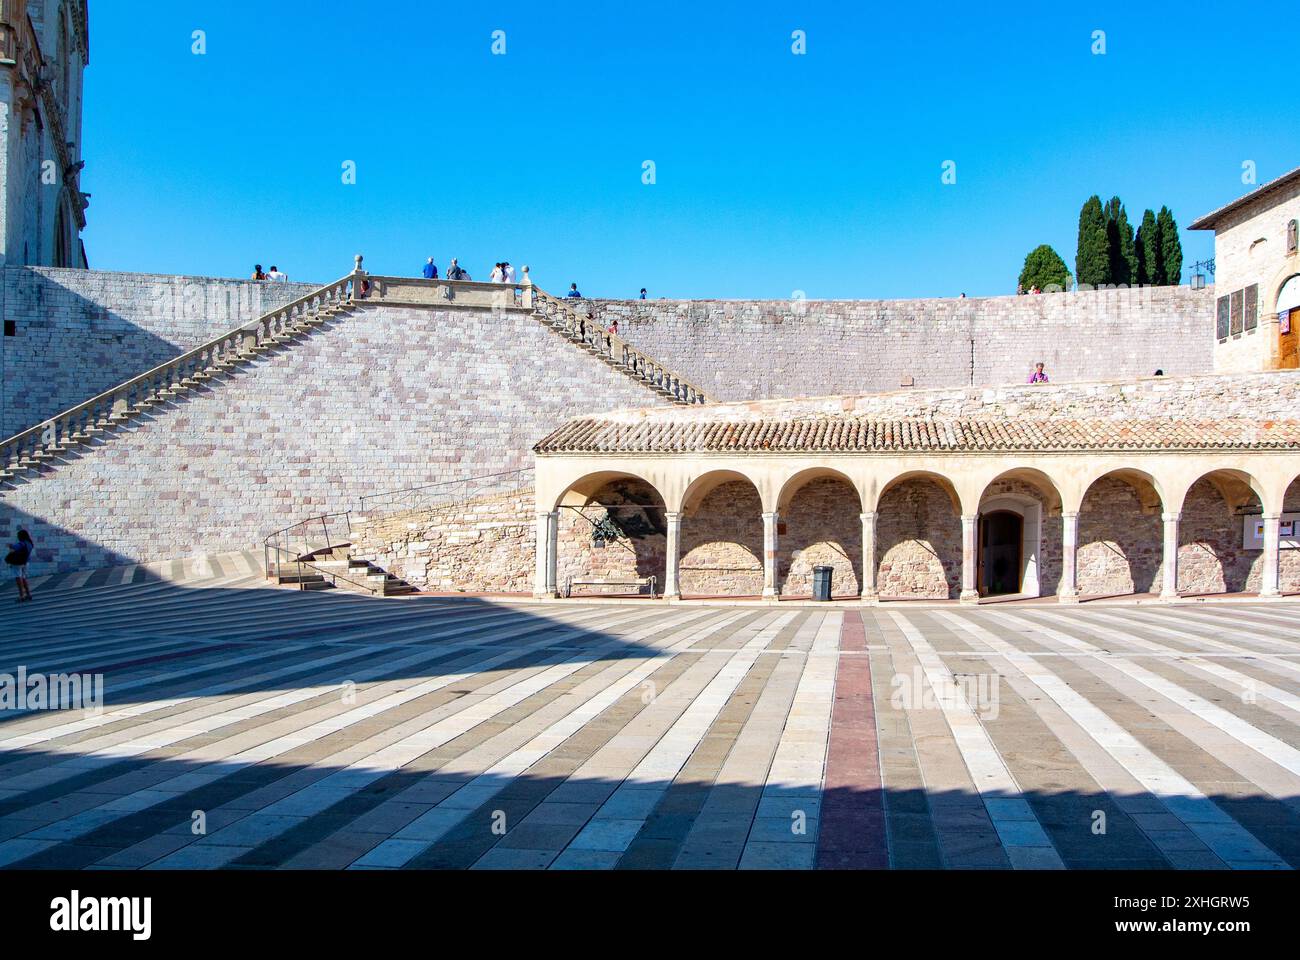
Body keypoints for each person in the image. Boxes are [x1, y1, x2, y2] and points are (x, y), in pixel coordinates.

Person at [7, 529, 34, 602]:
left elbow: (13, 548)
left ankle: (22, 595)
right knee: (23, 578)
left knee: (18, 578)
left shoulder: (21, 543)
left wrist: (9, 546)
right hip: (26, 562)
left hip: (18, 563)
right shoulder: (30, 543)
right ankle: (28, 594)